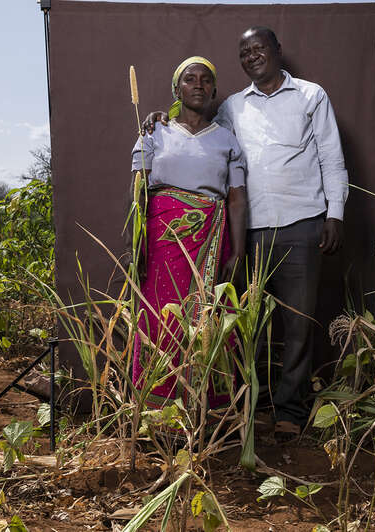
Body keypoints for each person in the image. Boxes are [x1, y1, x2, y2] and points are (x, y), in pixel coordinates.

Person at [144, 27, 349, 441]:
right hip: (248, 232)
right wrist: (159, 117)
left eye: (260, 48)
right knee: (241, 324)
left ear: (277, 51)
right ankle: (247, 406)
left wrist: (336, 214)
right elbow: (195, 132)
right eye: (245, 52)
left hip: (303, 222)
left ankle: (290, 411)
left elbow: (331, 155)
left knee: (297, 323)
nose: (253, 56)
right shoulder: (232, 107)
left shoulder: (311, 96)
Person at [128, 56, 248, 411]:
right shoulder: (154, 132)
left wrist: (237, 252)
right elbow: (138, 192)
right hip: (163, 239)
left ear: (213, 90)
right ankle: (157, 409)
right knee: (161, 315)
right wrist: (137, 245)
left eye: (206, 79)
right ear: (176, 89)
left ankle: (205, 411)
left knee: (209, 319)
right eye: (190, 79)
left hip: (212, 239)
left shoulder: (227, 140)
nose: (198, 84)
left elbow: (237, 200)